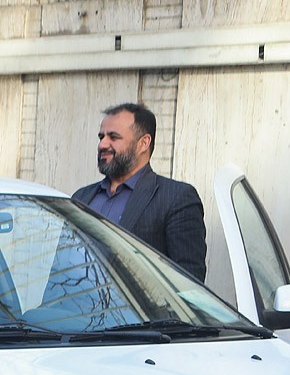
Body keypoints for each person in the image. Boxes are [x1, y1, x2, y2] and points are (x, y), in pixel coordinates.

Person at [72, 102, 207, 281]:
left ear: (143, 143)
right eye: (101, 137)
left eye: (113, 137)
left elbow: (189, 281)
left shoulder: (176, 198)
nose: (102, 144)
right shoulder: (81, 198)